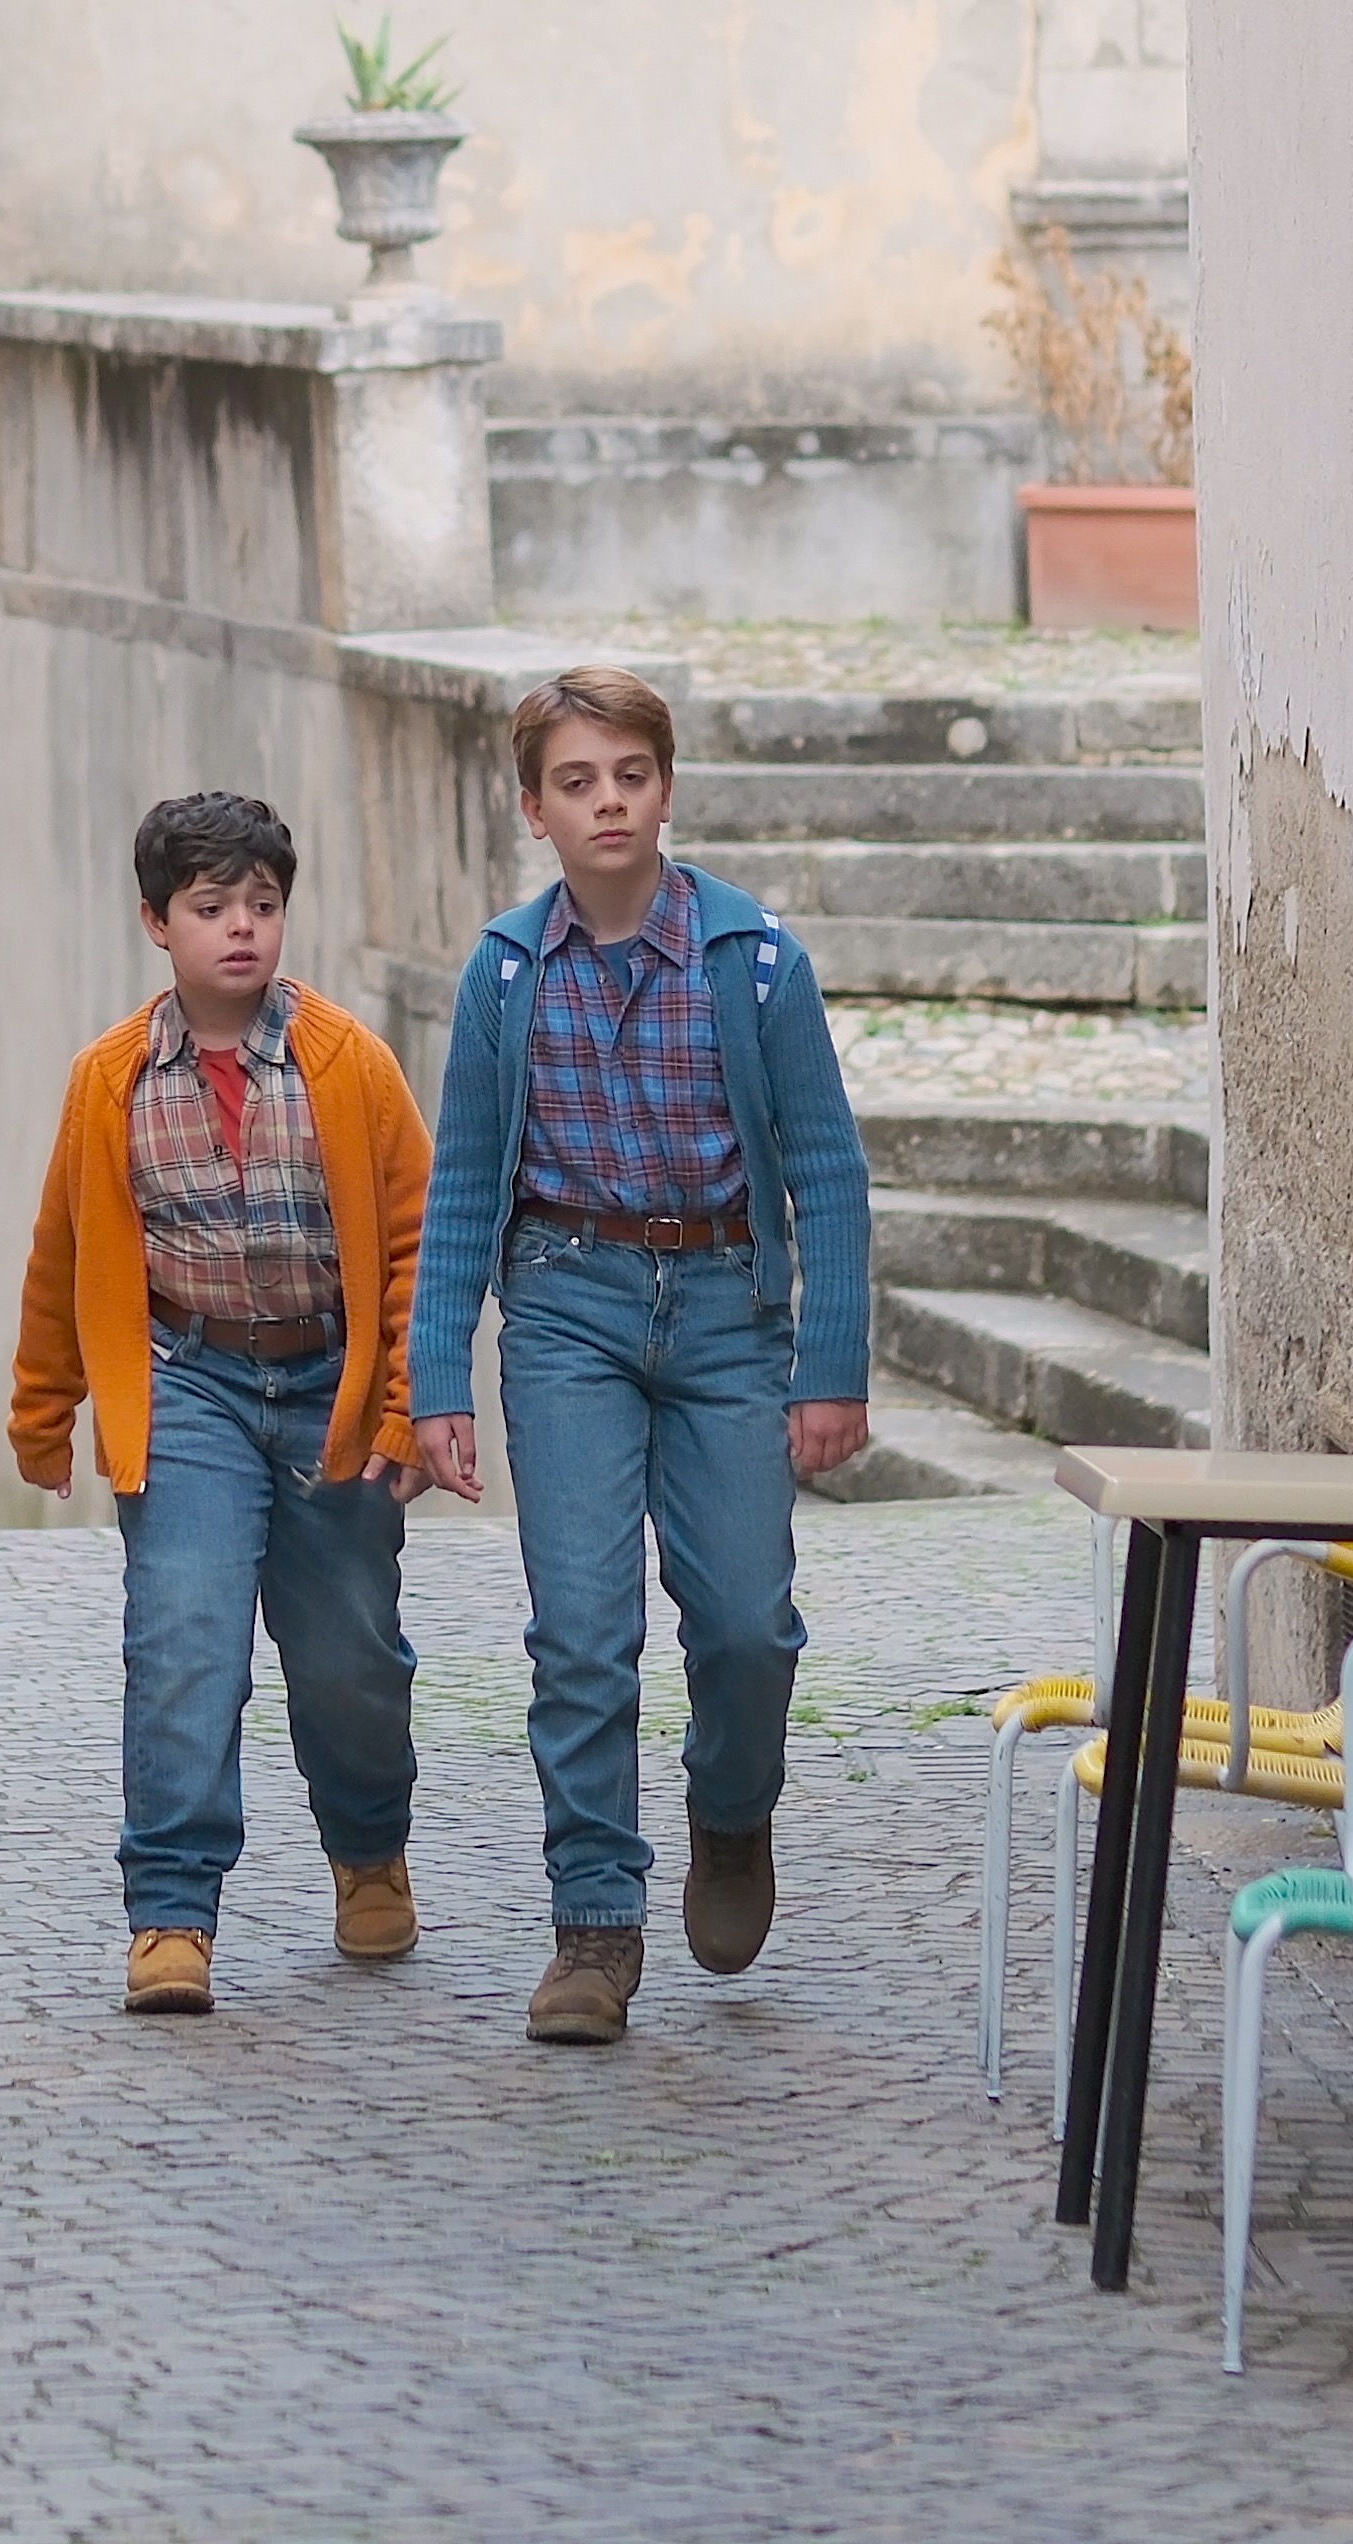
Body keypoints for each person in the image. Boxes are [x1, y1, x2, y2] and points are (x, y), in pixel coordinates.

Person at [404, 668, 875, 2049]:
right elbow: (463, 1185)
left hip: (728, 1309)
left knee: (745, 1626)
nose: (606, 801)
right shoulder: (506, 974)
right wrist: (439, 1379)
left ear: (665, 789)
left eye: (630, 775)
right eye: (576, 781)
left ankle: (732, 1812)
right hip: (567, 1308)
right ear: (534, 810)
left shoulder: (756, 961)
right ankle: (594, 1927)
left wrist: (830, 1364)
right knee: (581, 1632)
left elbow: (828, 1172)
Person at [7, 787, 436, 2016]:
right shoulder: (110, 1080)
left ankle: (369, 1847)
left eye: (261, 903)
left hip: (327, 1386)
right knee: (184, 1640)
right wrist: (44, 1410)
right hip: (188, 1381)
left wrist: (406, 1402)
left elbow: (416, 1240)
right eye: (211, 907)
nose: (240, 926)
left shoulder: (349, 1064)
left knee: (349, 1657)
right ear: (158, 922)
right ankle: (172, 1911)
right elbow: (63, 1252)